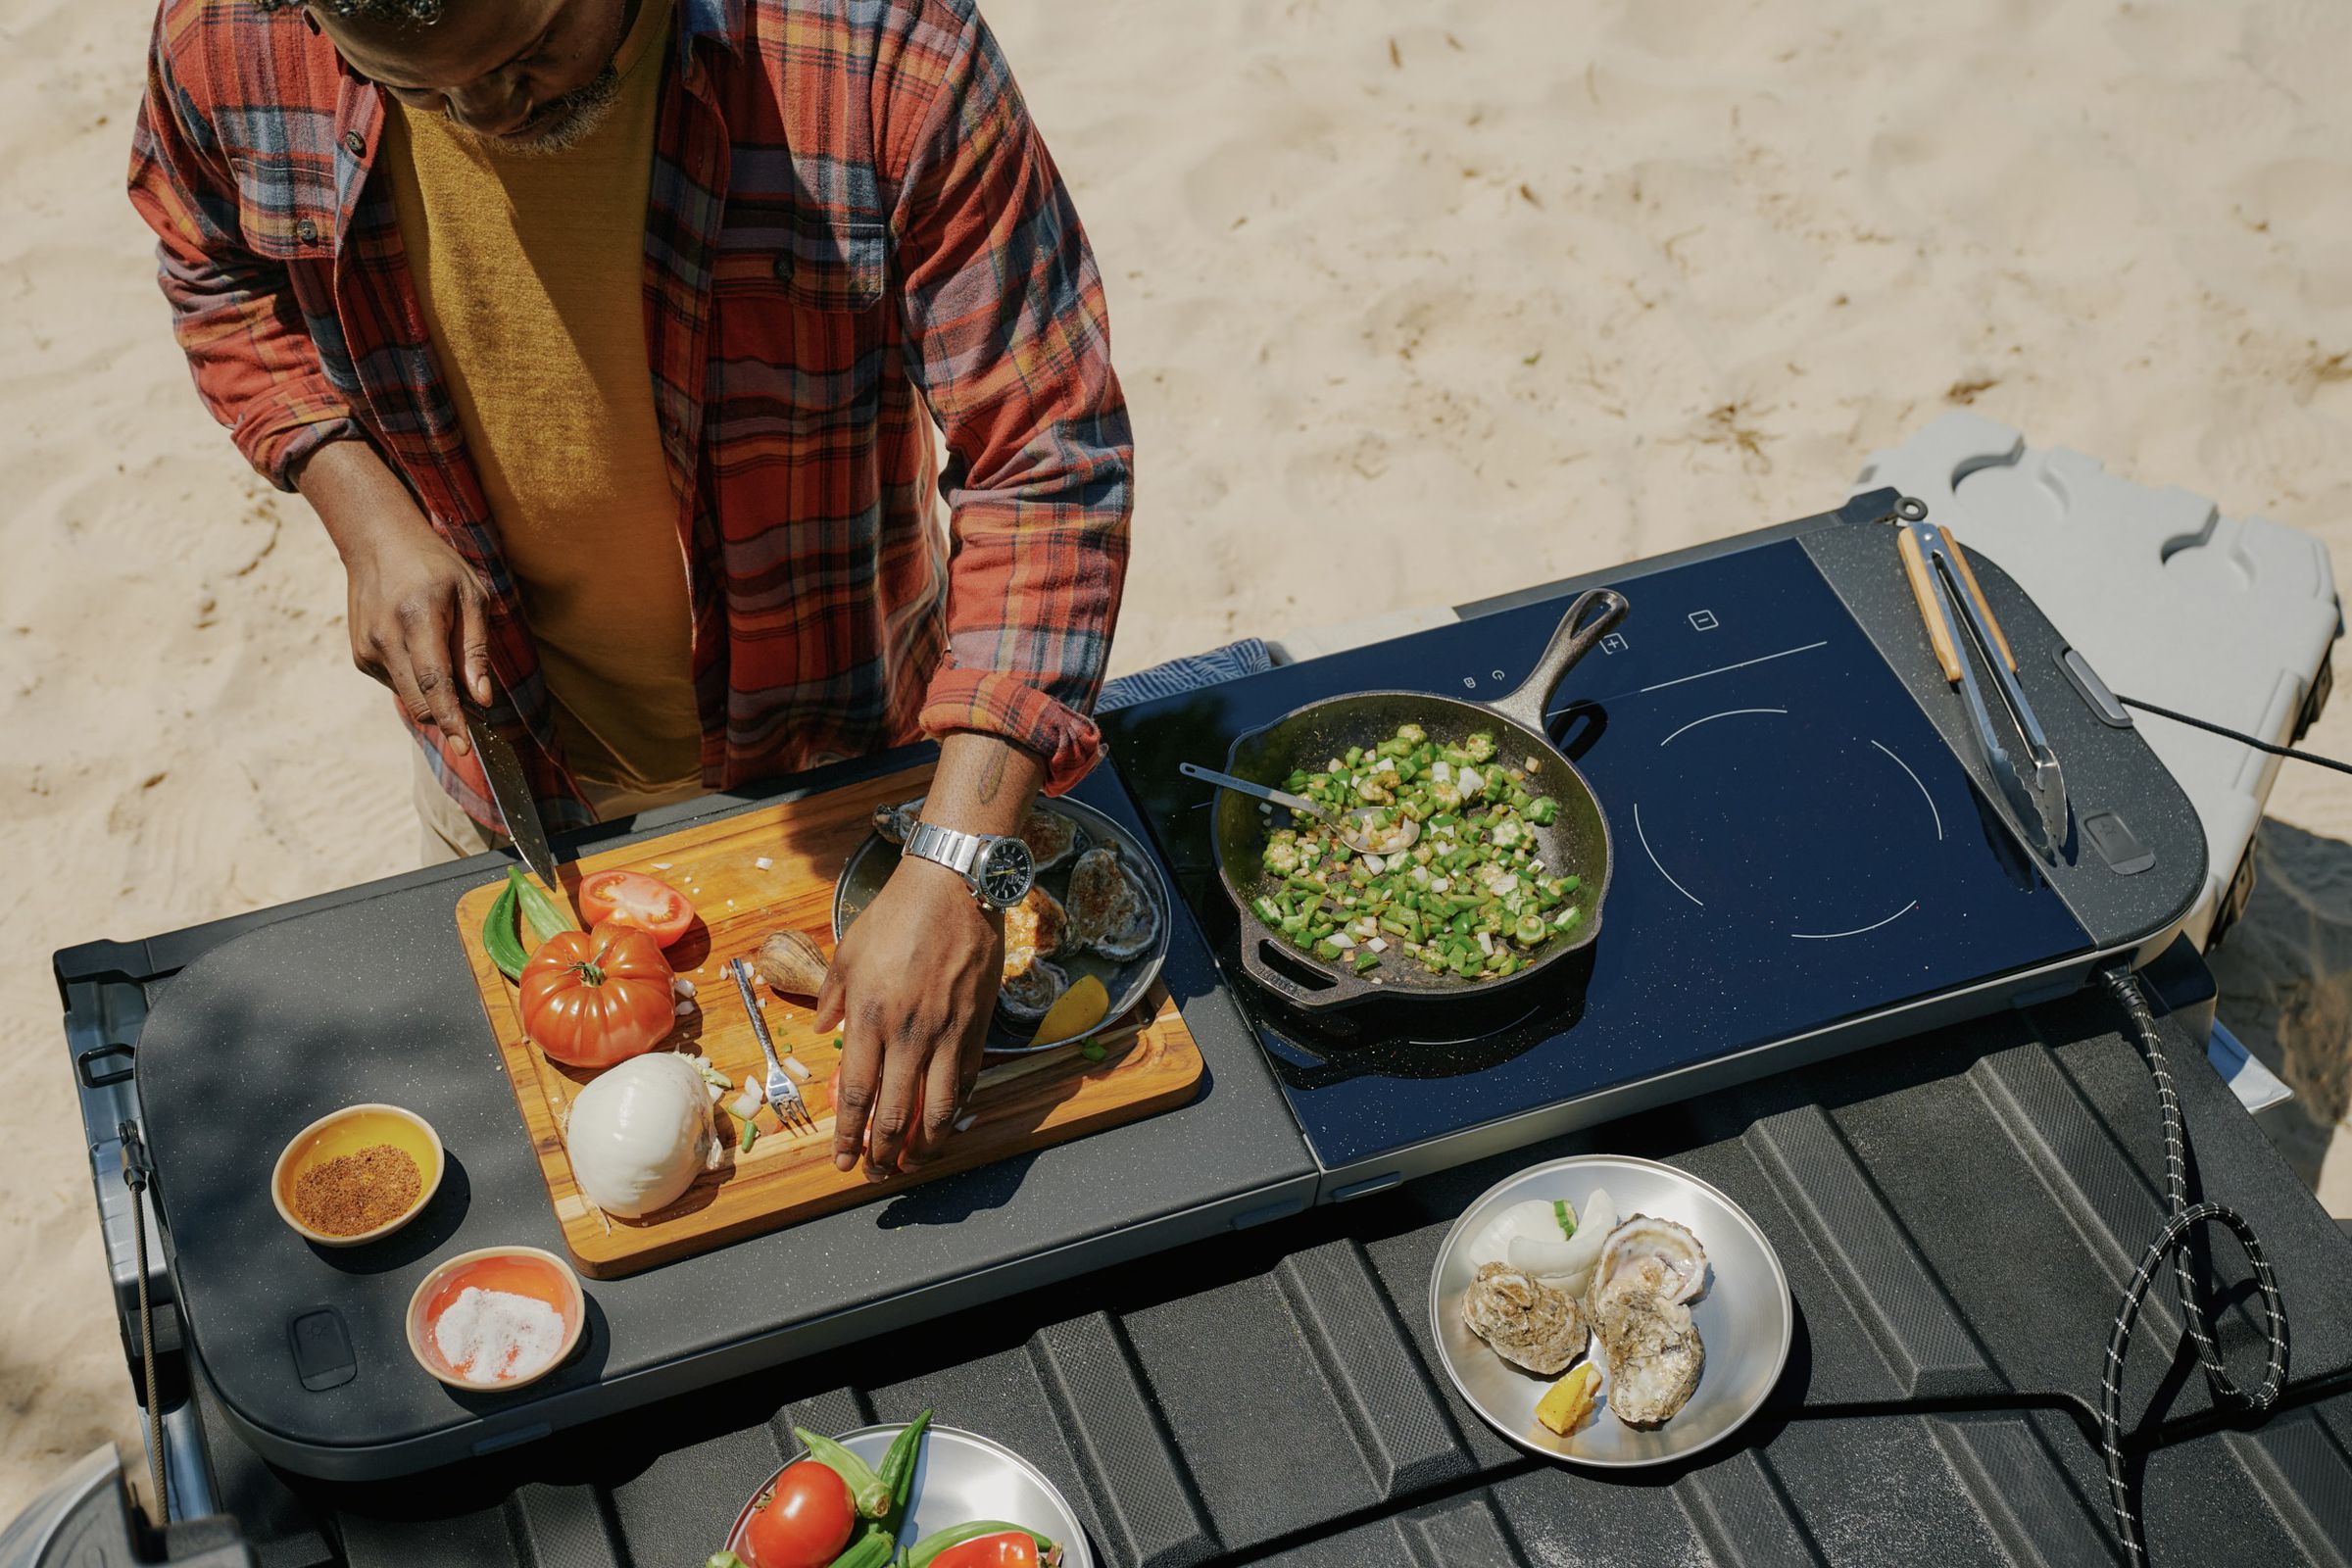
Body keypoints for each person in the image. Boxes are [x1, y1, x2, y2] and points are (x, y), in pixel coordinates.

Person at [124, 0, 1133, 1180]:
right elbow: (209, 266)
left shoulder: (879, 46)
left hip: (850, 752)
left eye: (526, 52)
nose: (488, 115)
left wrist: (959, 858)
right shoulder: (227, 34)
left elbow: (1047, 454)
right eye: (420, 90)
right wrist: (358, 499)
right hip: (505, 764)